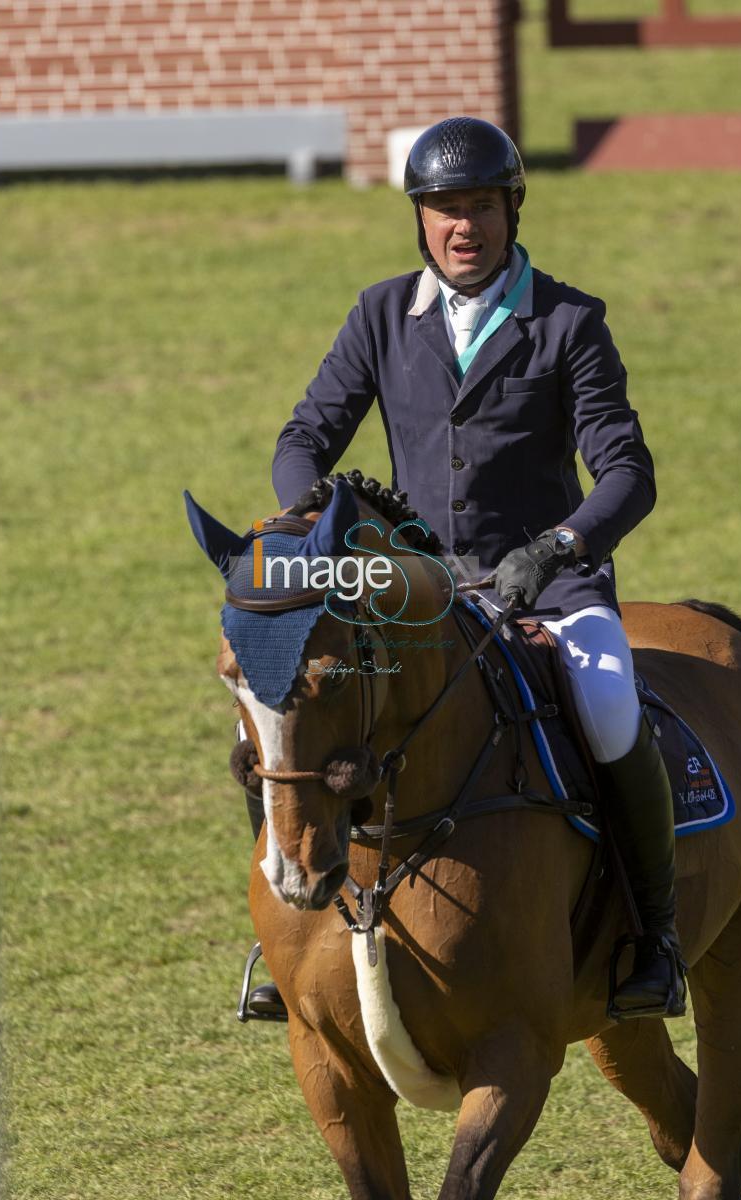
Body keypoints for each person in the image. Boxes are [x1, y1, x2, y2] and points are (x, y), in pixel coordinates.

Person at [250, 116, 686, 1022]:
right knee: (297, 706)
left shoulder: (567, 321)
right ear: (420, 219)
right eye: (445, 209)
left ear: (511, 210)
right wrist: (303, 518)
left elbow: (628, 474)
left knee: (608, 711)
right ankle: (287, 937)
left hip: (549, 585)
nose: (463, 226)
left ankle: (656, 934)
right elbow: (305, 438)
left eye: (480, 206)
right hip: (417, 594)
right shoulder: (381, 314)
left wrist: (558, 548)